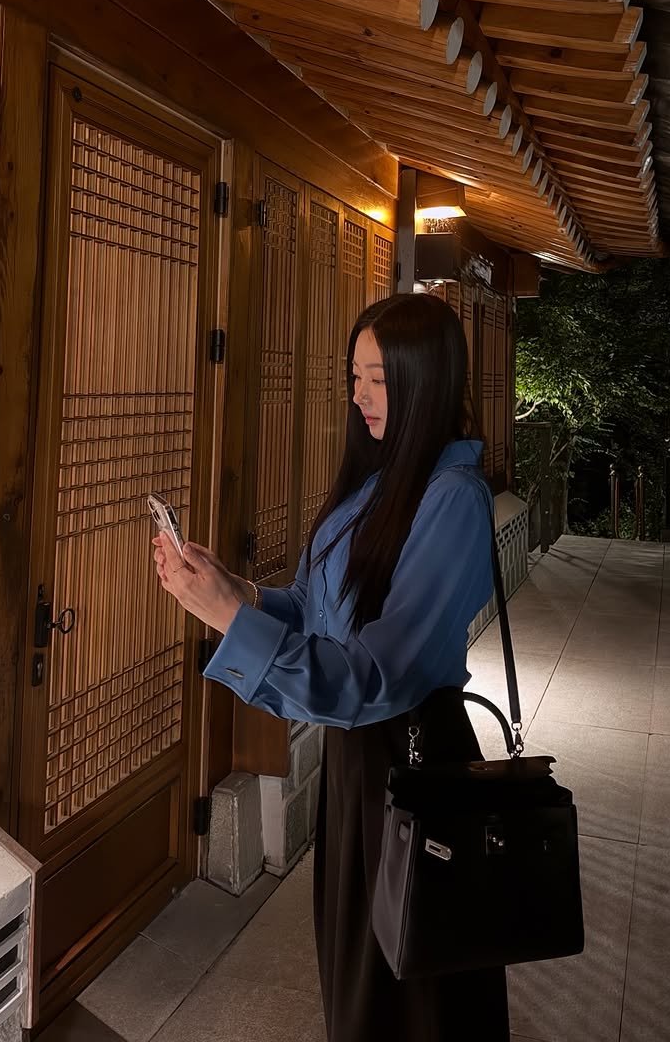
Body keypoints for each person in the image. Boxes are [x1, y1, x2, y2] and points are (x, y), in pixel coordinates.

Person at [153, 291, 511, 1041]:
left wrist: (227, 620)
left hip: (412, 754)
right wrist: (239, 594)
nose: (358, 395)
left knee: (410, 991)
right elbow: (325, 613)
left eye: (377, 378)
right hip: (360, 766)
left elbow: (373, 678)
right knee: (358, 970)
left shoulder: (453, 499)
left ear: (426, 380)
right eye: (354, 376)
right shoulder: (382, 481)